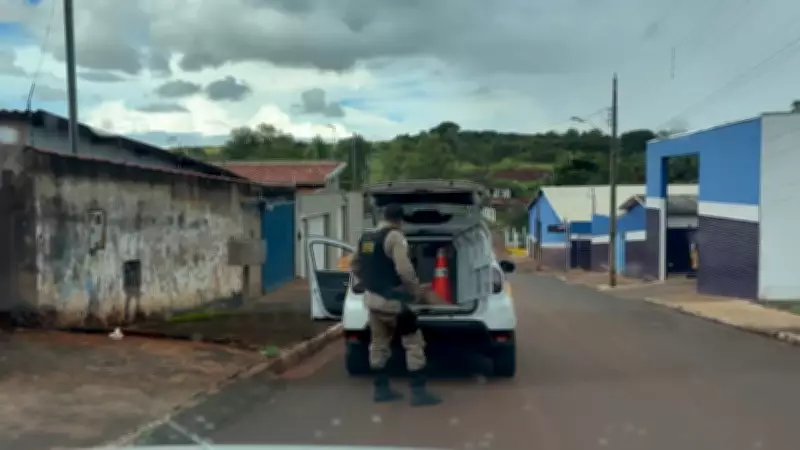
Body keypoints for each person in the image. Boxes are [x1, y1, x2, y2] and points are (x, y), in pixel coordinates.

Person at [350, 203, 442, 407]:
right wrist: (415, 291)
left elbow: (355, 265)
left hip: (372, 301)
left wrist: (369, 282)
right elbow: (404, 270)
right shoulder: (395, 237)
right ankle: (419, 393)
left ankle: (381, 390)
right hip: (393, 303)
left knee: (378, 343)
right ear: (400, 220)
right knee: (413, 343)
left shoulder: (367, 238)